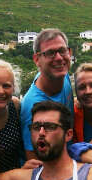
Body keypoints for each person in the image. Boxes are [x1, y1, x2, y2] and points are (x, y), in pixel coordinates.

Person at [20, 29, 73, 161]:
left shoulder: (62, 74)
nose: (59, 58)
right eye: (50, 53)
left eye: (62, 51)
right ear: (37, 60)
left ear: (69, 53)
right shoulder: (32, 105)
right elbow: (34, 160)